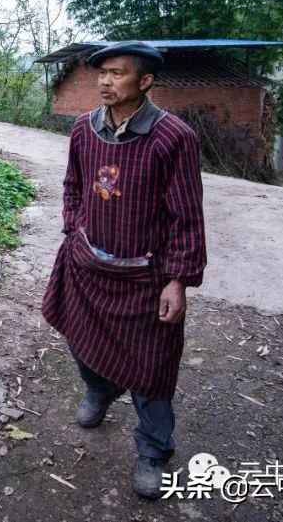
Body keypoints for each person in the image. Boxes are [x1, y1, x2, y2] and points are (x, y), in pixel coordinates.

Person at [41, 41, 207, 499]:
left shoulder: (173, 138)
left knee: (152, 367)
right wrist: (74, 228)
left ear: (145, 81)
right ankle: (100, 387)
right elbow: (73, 184)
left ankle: (154, 449)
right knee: (77, 332)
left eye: (117, 73)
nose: (105, 82)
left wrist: (179, 279)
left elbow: (187, 215)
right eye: (102, 74)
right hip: (88, 262)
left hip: (145, 274)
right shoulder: (82, 129)